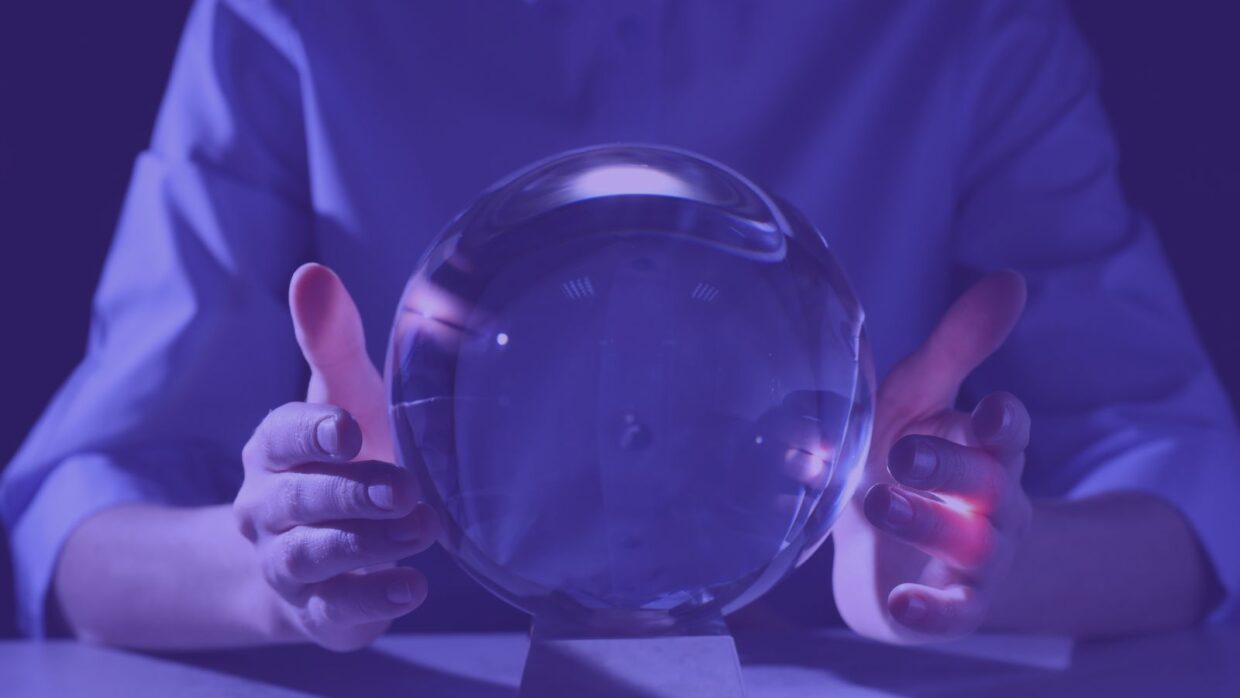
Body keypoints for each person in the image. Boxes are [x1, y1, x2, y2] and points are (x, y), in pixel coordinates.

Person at [2, 0, 1236, 651]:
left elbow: (1193, 492)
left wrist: (981, 561)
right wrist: (274, 565)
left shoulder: (961, 22)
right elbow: (72, 520)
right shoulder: (292, 15)